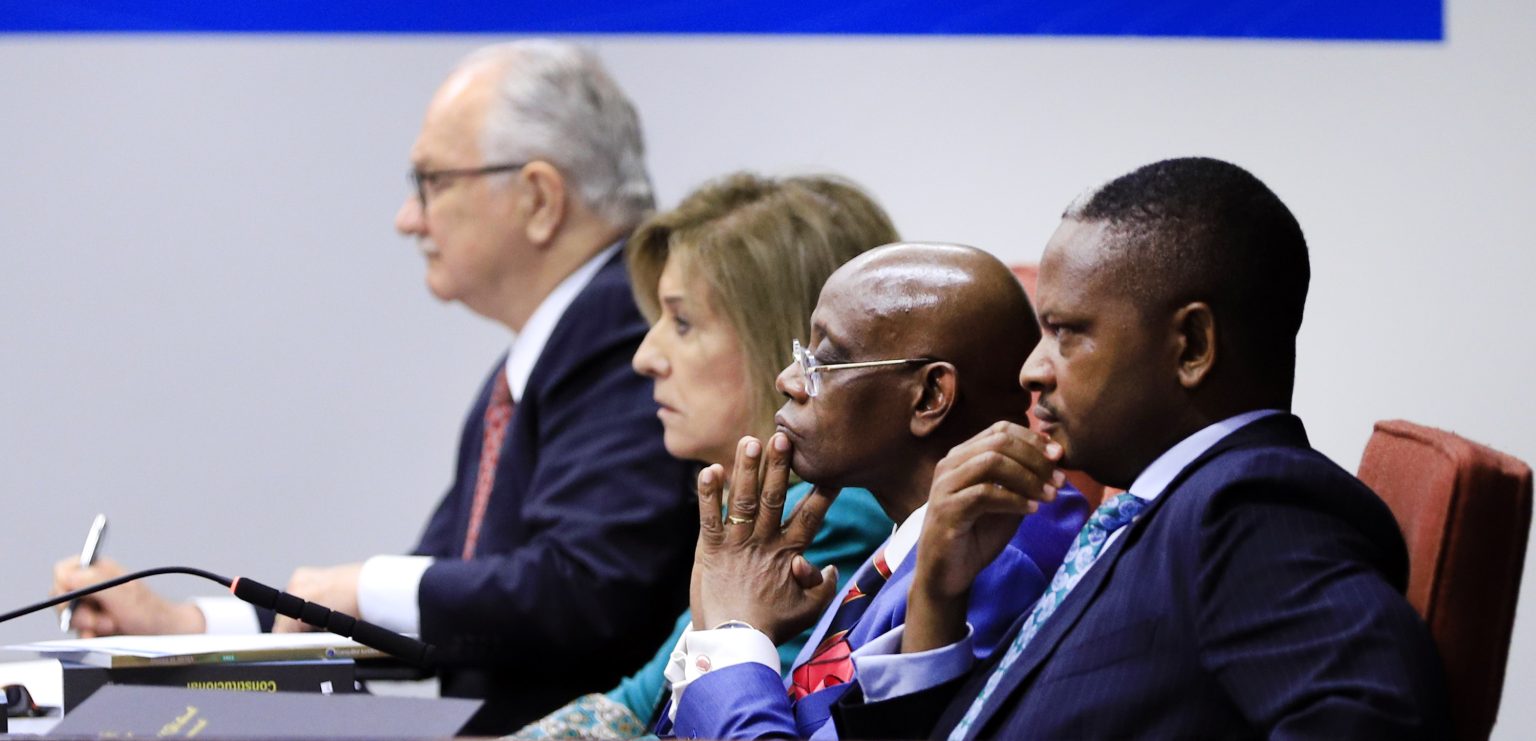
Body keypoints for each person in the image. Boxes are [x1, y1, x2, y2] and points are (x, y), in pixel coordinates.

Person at [53, 40, 703, 734]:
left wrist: (363, 587)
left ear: (539, 198)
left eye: (432, 181)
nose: (408, 218)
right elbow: (447, 596)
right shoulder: (539, 358)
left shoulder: (617, 328)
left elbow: (582, 586)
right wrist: (184, 625)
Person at [831, 158, 1450, 739]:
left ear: (1192, 346)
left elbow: (1377, 718)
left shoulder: (1253, 510)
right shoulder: (1156, 510)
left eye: (1066, 333)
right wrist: (939, 598)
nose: (1031, 371)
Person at [511, 172, 899, 738]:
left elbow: (710, 727)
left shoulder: (827, 512)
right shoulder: (757, 509)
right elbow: (630, 709)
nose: (645, 356)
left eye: (683, 322)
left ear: (785, 339)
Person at [655, 243, 1091, 740]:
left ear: (929, 396)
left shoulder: (995, 551)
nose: (788, 380)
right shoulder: (916, 531)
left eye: (822, 360)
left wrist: (733, 634)